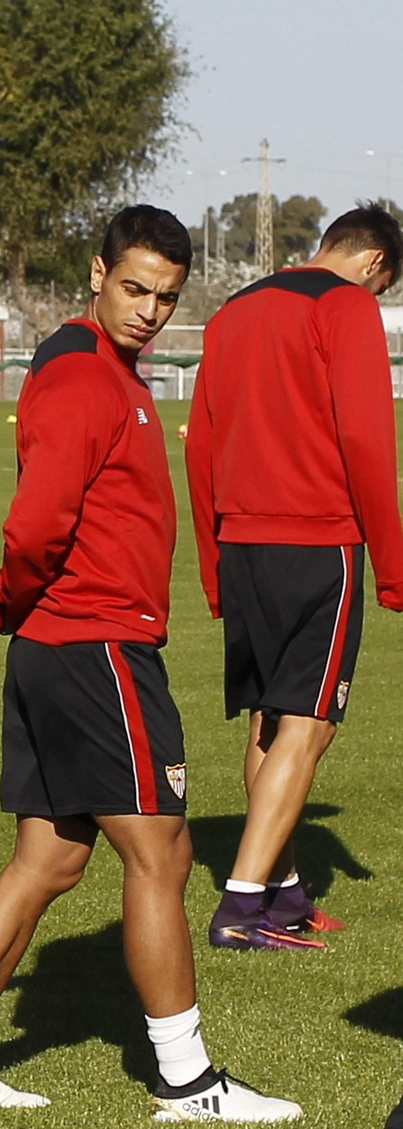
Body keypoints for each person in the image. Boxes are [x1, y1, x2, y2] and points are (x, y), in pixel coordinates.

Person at [0, 206, 302, 1122]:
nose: (150, 310)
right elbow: (41, 519)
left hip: (70, 646)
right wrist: (6, 595)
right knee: (164, 852)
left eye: (166, 297)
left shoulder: (107, 371)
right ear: (97, 273)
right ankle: (187, 1080)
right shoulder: (83, 377)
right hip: (94, 647)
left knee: (46, 861)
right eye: (135, 289)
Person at [185, 203, 403, 950]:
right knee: (309, 724)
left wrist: (214, 563)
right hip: (319, 541)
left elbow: (202, 439)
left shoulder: (237, 308)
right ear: (375, 264)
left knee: (271, 718)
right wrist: (394, 566)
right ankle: (242, 905)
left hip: (242, 538)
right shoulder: (345, 306)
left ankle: (281, 889)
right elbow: (367, 437)